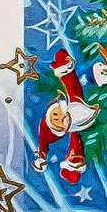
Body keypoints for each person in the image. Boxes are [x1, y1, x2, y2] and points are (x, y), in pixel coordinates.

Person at [32, 48, 98, 180]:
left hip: (78, 105)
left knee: (73, 91)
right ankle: (73, 160)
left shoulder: (70, 102)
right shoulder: (67, 127)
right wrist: (42, 157)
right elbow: (44, 143)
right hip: (79, 119)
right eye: (61, 121)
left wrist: (63, 65)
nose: (60, 117)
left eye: (55, 116)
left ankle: (73, 161)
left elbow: (71, 83)